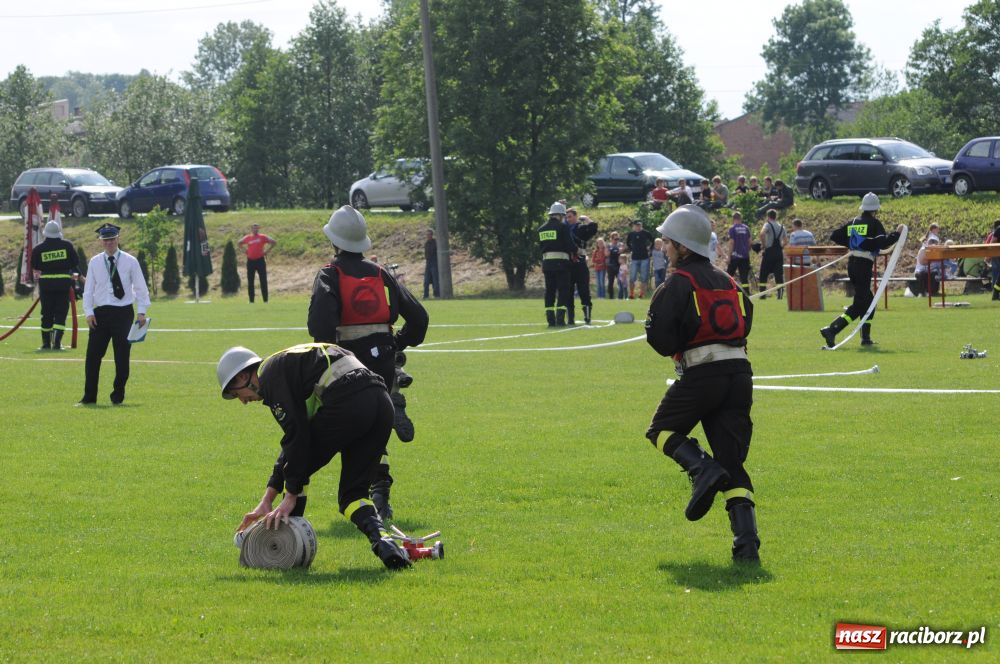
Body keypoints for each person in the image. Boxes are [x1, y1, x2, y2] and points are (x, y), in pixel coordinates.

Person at [217, 343, 411, 570]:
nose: (242, 401)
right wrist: (267, 499)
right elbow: (294, 445)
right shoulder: (286, 365)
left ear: (242, 377)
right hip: (382, 403)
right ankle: (385, 544)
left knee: (301, 464)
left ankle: (285, 534)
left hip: (349, 404)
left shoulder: (270, 378)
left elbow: (297, 439)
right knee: (352, 495)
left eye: (235, 393)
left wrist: (290, 496)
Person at [643, 205, 759, 563]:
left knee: (661, 430)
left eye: (667, 242)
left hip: (702, 375)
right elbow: (747, 321)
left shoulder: (677, 284)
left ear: (681, 247)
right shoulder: (730, 281)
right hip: (740, 376)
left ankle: (701, 469)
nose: (663, 247)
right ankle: (747, 547)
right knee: (734, 464)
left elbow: (660, 339)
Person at [307, 205, 429, 520]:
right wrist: (397, 342)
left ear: (333, 241)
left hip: (348, 365)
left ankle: (370, 495)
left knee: (354, 431)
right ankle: (381, 497)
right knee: (374, 427)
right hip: (384, 362)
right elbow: (419, 319)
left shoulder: (329, 275)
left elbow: (320, 328)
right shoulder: (381, 273)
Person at [79, 223, 150, 406]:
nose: (109, 243)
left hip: (123, 313)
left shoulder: (130, 261)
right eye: (106, 240)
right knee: (92, 357)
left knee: (122, 358)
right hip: (100, 313)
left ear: (118, 239)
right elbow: (88, 291)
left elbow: (141, 288)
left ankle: (117, 396)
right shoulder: (95, 262)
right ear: (101, 242)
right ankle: (89, 397)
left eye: (112, 239)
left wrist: (141, 312)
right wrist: (88, 313)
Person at [821, 193, 903, 348]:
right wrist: (897, 234)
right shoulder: (874, 223)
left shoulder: (853, 222)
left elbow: (834, 235)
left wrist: (853, 243)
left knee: (867, 302)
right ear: (875, 209)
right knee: (862, 303)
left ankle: (864, 337)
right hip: (863, 266)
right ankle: (832, 329)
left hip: (852, 264)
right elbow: (882, 243)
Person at [31, 220, 79, 350]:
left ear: (45, 233)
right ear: (58, 233)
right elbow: (75, 262)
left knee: (46, 314)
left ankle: (46, 344)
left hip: (46, 285)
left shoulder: (38, 249)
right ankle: (57, 343)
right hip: (63, 284)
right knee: (60, 313)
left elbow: (34, 265)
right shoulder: (67, 246)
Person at [537, 202, 575, 325]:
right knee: (563, 290)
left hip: (547, 264)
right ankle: (560, 319)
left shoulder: (541, 229)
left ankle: (550, 319)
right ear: (560, 215)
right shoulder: (563, 227)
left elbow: (541, 247)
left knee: (549, 291)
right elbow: (570, 245)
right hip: (561, 264)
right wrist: (576, 250)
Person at [566, 208, 598, 324]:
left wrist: (586, 219)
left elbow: (593, 228)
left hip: (580, 264)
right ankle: (570, 319)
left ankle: (587, 317)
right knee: (568, 292)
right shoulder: (563, 229)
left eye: (570, 216)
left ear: (575, 216)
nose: (568, 219)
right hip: (567, 264)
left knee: (584, 291)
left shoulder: (581, 228)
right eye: (566, 217)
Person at [238, 224, 277, 303]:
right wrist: (245, 251)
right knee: (250, 281)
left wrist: (267, 251)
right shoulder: (248, 237)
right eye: (253, 228)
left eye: (256, 228)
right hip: (250, 261)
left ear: (258, 229)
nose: (255, 230)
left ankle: (265, 300)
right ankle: (251, 301)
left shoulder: (262, 237)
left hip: (260, 261)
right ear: (251, 229)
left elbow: (273, 242)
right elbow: (239, 243)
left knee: (263, 280)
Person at [758, 210, 787, 299]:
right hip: (778, 253)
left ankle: (762, 295)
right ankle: (780, 294)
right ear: (776, 216)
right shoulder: (782, 226)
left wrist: (763, 245)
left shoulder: (767, 224)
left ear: (768, 216)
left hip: (769, 252)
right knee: (779, 274)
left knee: (763, 273)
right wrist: (781, 247)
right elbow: (785, 240)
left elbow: (762, 234)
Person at [626, 220, 654, 299]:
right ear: (634, 226)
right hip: (634, 258)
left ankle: (642, 295)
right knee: (632, 277)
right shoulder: (631, 234)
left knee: (644, 277)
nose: (638, 227)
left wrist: (650, 249)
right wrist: (632, 249)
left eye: (639, 225)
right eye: (636, 225)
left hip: (644, 258)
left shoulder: (646, 233)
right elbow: (628, 243)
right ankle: (631, 294)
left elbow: (653, 240)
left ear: (641, 226)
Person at [726, 211, 752, 294]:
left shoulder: (732, 228)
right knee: (744, 277)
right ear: (741, 219)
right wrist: (747, 251)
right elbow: (750, 242)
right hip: (745, 256)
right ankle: (747, 294)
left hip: (735, 256)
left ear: (733, 219)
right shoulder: (746, 228)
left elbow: (731, 242)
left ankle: (727, 292)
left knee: (729, 276)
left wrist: (729, 256)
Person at [605, 231, 624, 299]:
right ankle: (611, 297)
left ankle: (621, 297)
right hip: (611, 266)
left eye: (618, 239)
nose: (617, 240)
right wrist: (614, 250)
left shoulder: (620, 244)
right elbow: (606, 254)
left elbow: (621, 250)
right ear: (611, 239)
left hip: (619, 266)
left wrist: (613, 250)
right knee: (611, 282)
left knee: (621, 281)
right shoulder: (608, 245)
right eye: (615, 239)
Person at [423, 228, 440, 299]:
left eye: (429, 234)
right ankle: (425, 295)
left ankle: (437, 295)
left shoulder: (435, 242)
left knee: (435, 280)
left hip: (434, 262)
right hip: (428, 263)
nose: (427, 236)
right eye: (427, 235)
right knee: (426, 281)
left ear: (432, 235)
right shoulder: (426, 243)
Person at [990, 219, 1000, 301]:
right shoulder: (998, 229)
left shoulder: (998, 229)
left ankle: (996, 293)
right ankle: (996, 293)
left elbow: (992, 242)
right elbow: (993, 242)